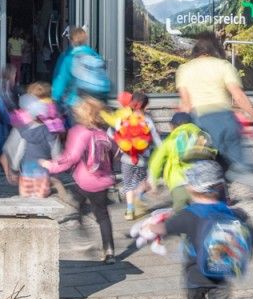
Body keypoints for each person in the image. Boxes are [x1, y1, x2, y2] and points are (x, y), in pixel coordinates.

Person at [149, 160, 250, 299]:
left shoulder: (190, 214)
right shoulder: (228, 211)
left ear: (192, 188)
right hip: (223, 272)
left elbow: (163, 229)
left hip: (195, 274)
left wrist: (151, 226)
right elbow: (243, 222)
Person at [175, 32, 253, 182]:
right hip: (227, 120)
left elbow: (185, 104)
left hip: (201, 122)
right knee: (237, 167)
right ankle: (249, 178)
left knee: (208, 170)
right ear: (214, 50)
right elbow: (238, 96)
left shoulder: (184, 69)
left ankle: (219, 196)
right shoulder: (224, 65)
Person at [41, 97, 117, 264]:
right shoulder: (104, 132)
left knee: (78, 206)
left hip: (84, 180)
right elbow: (114, 152)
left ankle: (83, 237)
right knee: (103, 215)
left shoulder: (79, 131)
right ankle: (109, 251)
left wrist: (51, 165)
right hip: (103, 182)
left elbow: (71, 157)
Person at [106, 91, 159, 221]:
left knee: (128, 184)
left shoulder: (123, 118)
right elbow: (158, 141)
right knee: (141, 182)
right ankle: (138, 198)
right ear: (144, 106)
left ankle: (130, 210)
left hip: (126, 158)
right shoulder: (148, 120)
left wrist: (120, 145)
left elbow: (110, 133)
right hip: (143, 158)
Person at [148, 113, 217, 211]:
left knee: (180, 214)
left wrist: (153, 182)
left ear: (172, 126)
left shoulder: (170, 140)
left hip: (178, 184)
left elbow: (156, 162)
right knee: (204, 213)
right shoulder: (202, 137)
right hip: (202, 182)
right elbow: (213, 155)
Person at [3, 94, 59, 198]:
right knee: (41, 197)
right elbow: (55, 149)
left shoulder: (22, 130)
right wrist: (56, 167)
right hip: (43, 170)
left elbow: (19, 151)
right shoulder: (49, 130)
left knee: (26, 197)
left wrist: (14, 168)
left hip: (26, 170)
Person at [51, 27, 111, 115]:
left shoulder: (69, 57)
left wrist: (55, 98)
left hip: (77, 102)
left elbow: (61, 79)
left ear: (71, 40)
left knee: (76, 128)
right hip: (97, 102)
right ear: (85, 40)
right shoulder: (95, 55)